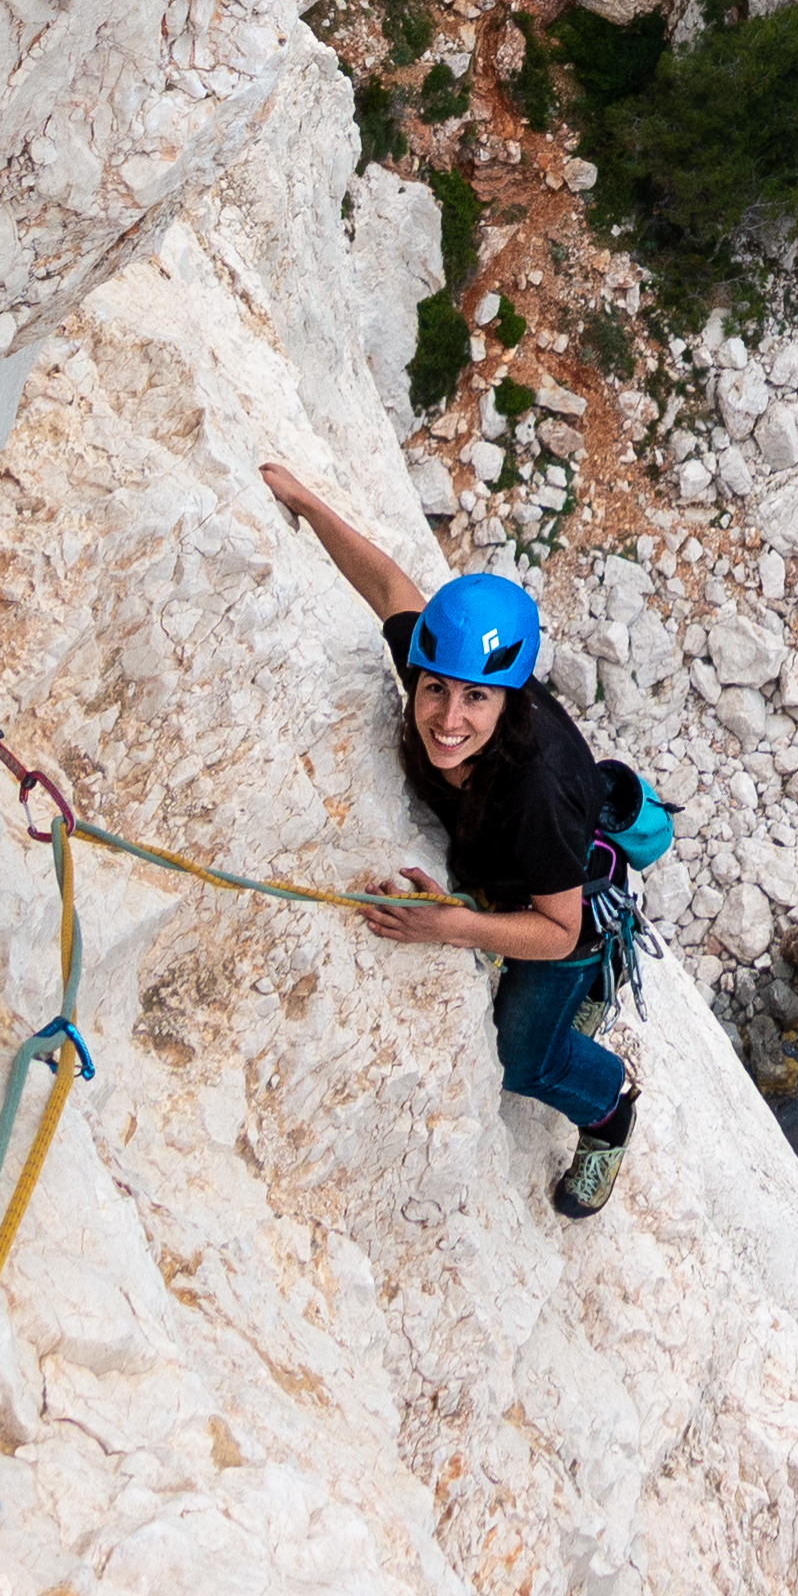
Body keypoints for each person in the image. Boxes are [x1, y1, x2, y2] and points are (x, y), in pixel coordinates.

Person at [261, 460, 673, 1217]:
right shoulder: (440, 659)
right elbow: (389, 587)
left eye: (475, 699)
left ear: (506, 699)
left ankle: (608, 1105)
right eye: (437, 690)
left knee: (522, 1057)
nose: (448, 719)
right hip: (516, 880)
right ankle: (586, 999)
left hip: (563, 909)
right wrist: (308, 505)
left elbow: (556, 929)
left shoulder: (534, 793)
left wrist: (453, 929)